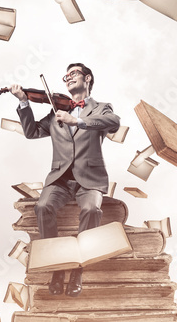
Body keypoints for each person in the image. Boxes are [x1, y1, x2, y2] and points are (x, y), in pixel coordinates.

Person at [9, 63, 120, 297]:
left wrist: (77, 121)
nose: (68, 78)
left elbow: (113, 123)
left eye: (74, 74)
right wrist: (23, 101)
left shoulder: (101, 108)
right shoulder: (54, 112)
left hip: (89, 178)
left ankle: (78, 270)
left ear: (87, 78)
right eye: (66, 76)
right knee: (43, 206)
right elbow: (31, 132)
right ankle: (58, 268)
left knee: (91, 209)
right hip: (60, 179)